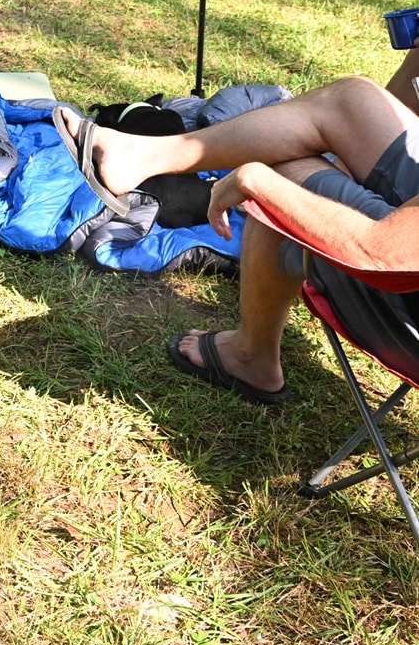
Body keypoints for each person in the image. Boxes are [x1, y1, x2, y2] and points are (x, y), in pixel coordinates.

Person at [56, 77, 419, 405]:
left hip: (402, 286)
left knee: (284, 174)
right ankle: (139, 157)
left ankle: (252, 357)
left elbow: (382, 254)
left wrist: (256, 181)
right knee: (352, 100)